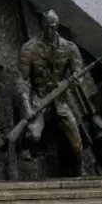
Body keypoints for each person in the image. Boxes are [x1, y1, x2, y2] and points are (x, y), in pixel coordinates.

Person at [16, 10, 86, 176]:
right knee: (34, 135)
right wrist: (27, 106)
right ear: (42, 26)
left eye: (52, 27)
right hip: (39, 100)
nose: (49, 31)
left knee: (76, 140)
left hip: (60, 101)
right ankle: (23, 144)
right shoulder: (29, 49)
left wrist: (77, 80)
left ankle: (80, 170)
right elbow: (22, 81)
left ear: (57, 26)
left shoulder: (69, 48)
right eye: (46, 27)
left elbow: (78, 72)